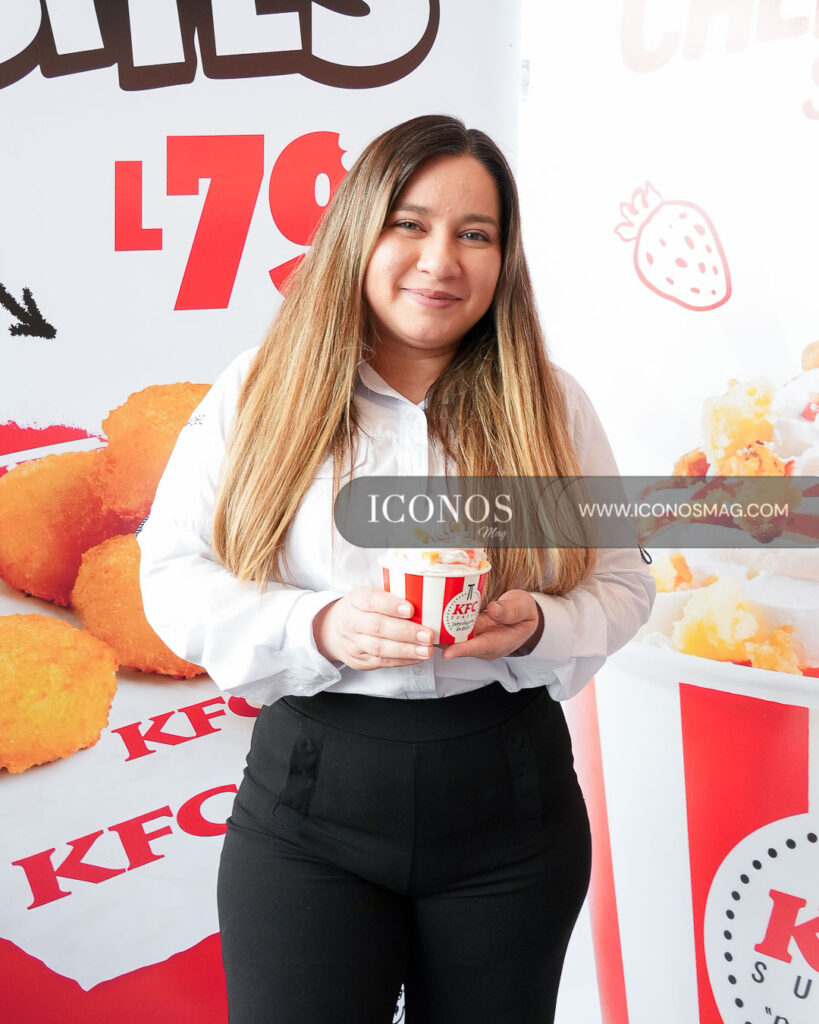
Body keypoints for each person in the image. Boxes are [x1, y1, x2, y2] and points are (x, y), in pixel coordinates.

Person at [137, 114, 655, 1024]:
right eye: (409, 224)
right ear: (357, 233)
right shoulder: (264, 390)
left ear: (505, 258)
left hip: (511, 807)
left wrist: (539, 620)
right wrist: (319, 627)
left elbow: (622, 582)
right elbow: (173, 575)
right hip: (309, 802)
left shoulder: (548, 400)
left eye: (474, 233)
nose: (439, 260)